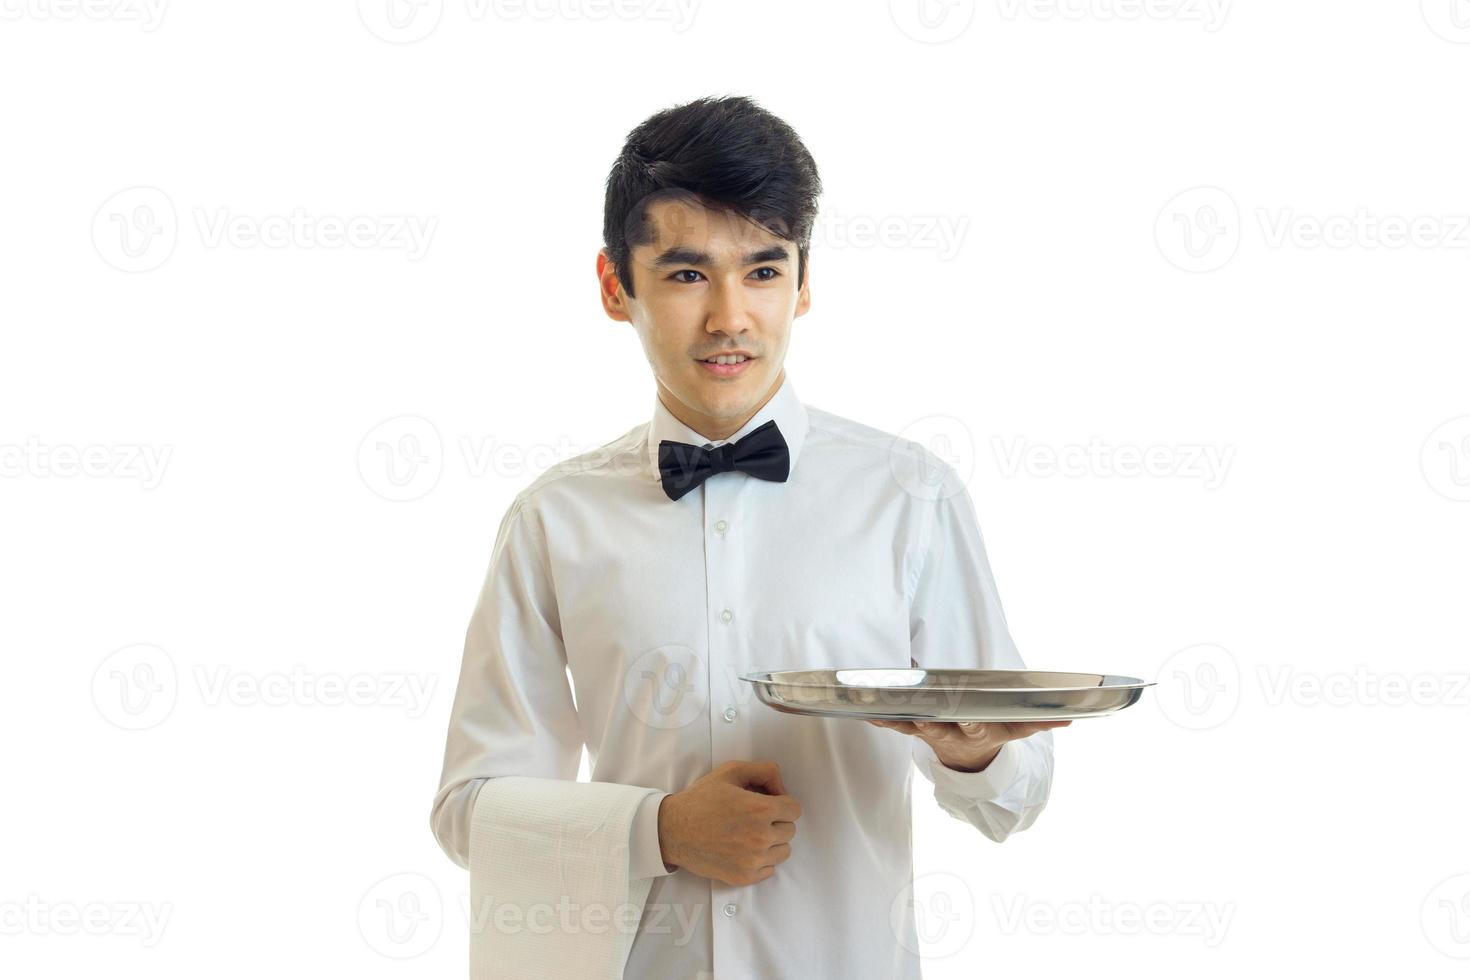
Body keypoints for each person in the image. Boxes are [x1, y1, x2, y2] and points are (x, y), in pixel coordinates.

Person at [430, 93, 1070, 979]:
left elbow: (1017, 801)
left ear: (804, 283)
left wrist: (980, 752)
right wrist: (658, 832)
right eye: (688, 274)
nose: (731, 316)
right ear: (617, 287)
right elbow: (472, 810)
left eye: (763, 272)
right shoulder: (552, 520)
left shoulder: (910, 495)